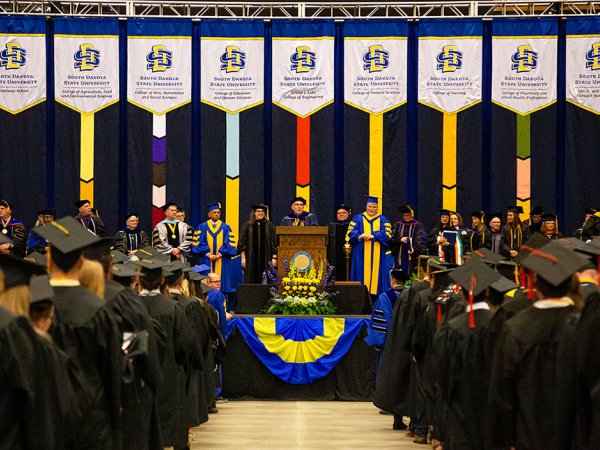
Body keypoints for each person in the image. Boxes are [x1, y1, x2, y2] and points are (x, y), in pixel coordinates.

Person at [488, 240, 587, 449]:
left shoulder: (515, 329)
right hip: (579, 437)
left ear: (535, 282)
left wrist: (505, 440)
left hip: (528, 436)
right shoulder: (586, 326)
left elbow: (501, 395)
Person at [34, 216, 123, 449]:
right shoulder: (99, 308)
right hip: (92, 416)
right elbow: (112, 368)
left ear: (48, 261)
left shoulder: (32, 303)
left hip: (42, 415)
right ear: (83, 263)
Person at [132, 256, 196, 450]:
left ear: (139, 280)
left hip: (138, 381)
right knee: (171, 427)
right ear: (162, 281)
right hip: (169, 376)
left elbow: (128, 348)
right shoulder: (173, 309)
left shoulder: (130, 306)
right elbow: (185, 346)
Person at [435, 259, 499, 449]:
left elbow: (443, 382)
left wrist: (440, 430)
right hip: (494, 418)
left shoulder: (452, 329)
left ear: (462, 293)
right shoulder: (504, 325)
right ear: (488, 292)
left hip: (461, 417)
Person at [191, 202, 241, 302]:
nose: (217, 214)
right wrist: (208, 254)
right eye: (214, 212)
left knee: (222, 284)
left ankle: (222, 304)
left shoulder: (226, 227)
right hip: (206, 259)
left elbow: (229, 243)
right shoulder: (202, 227)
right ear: (209, 214)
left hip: (222, 260)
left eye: (218, 212)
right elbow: (198, 242)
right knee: (205, 282)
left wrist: (219, 254)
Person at [365, 269, 409, 380]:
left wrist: (378, 343)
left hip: (389, 346)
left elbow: (380, 323)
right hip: (408, 345)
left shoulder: (384, 298)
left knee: (387, 377)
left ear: (393, 280)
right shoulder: (412, 296)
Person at [346, 196, 393, 296]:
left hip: (378, 255)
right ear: (366, 206)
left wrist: (373, 236)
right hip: (360, 254)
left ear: (378, 208)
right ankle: (359, 300)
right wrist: (360, 236)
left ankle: (377, 301)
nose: (371, 209)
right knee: (360, 275)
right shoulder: (358, 218)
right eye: (369, 206)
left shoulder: (383, 220)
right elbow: (350, 232)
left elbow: (387, 234)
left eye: (374, 207)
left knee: (378, 278)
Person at [238, 204, 277, 284]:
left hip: (267, 258)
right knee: (251, 279)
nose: (260, 213)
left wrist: (274, 257)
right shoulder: (247, 226)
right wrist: (243, 258)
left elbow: (274, 242)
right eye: (258, 211)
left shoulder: (270, 225)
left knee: (267, 279)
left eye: (262, 211)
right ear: (254, 213)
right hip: (251, 259)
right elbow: (242, 243)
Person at [391, 205, 427, 276]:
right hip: (400, 255)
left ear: (412, 215)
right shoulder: (398, 225)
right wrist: (400, 239)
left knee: (411, 273)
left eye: (408, 215)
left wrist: (414, 249)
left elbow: (421, 241)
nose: (406, 217)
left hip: (412, 256)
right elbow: (392, 239)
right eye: (404, 216)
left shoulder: (417, 225)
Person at [327, 203, 352, 281]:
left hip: (350, 256)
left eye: (344, 213)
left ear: (348, 214)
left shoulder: (352, 226)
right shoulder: (331, 226)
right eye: (339, 213)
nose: (341, 214)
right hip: (334, 256)